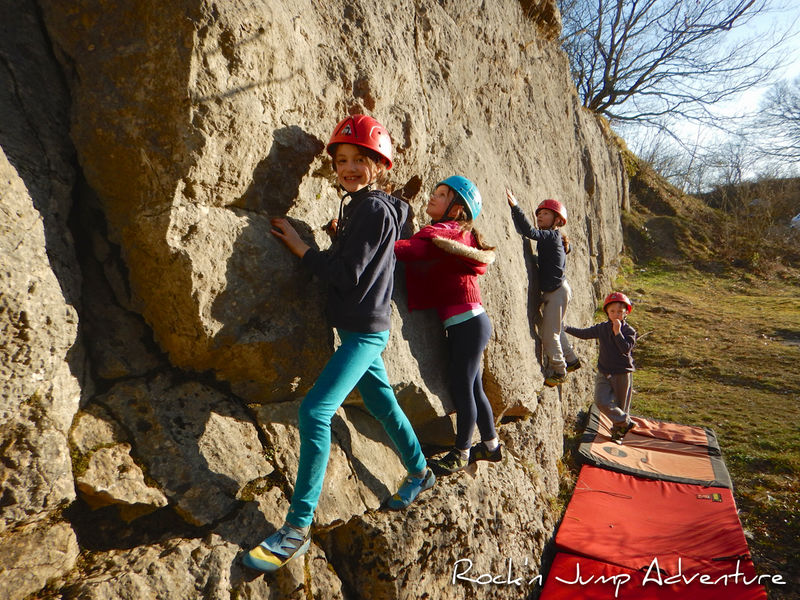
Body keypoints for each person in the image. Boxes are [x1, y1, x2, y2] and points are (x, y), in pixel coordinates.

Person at [243, 114, 434, 574]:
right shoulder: (365, 207)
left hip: (364, 331)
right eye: (342, 159)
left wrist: (302, 249)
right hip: (361, 327)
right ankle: (422, 472)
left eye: (361, 160)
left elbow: (347, 275)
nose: (348, 167)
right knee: (382, 402)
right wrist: (339, 235)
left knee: (314, 412)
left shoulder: (368, 209)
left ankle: (296, 528)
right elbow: (366, 258)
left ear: (380, 165)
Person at [395, 176, 501, 474]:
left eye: (441, 195)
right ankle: (491, 446)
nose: (432, 197)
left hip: (467, 324)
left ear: (455, 210)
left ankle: (462, 452)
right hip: (471, 322)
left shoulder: (448, 234)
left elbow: (415, 251)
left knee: (462, 387)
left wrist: (378, 242)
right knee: (474, 387)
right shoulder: (456, 234)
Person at [506, 188, 580, 386]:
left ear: (557, 220)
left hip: (556, 292)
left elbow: (529, 232)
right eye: (538, 214)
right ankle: (571, 360)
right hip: (558, 291)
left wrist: (515, 207)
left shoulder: (551, 236)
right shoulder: (554, 238)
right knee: (555, 328)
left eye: (545, 213)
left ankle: (559, 370)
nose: (540, 216)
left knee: (549, 334)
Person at [565, 292, 637, 443]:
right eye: (612, 312)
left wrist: (618, 333)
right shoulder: (602, 328)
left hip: (622, 374)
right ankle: (625, 422)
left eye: (620, 312)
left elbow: (625, 349)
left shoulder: (629, 331)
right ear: (607, 312)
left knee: (621, 405)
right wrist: (566, 328)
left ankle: (618, 433)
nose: (616, 315)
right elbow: (584, 334)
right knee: (601, 401)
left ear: (626, 313)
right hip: (604, 371)